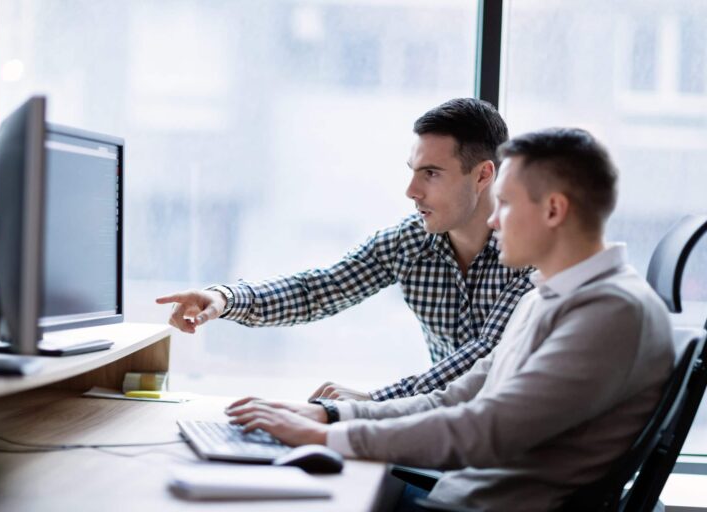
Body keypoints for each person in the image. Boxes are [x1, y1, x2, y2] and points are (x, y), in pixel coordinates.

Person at [224, 128, 675, 511]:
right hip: (455, 496)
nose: (493, 222)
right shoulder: (549, 297)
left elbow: (485, 428)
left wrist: (324, 440)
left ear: (554, 210)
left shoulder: (613, 312)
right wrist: (329, 416)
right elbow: (455, 398)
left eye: (506, 205)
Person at [156, 98, 533, 401]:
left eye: (431, 173)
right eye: (413, 170)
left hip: (514, 447)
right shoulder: (409, 242)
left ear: (483, 175)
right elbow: (318, 290)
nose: (411, 191)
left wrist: (373, 403)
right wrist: (224, 297)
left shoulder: (531, 252)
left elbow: (485, 358)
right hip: (442, 433)